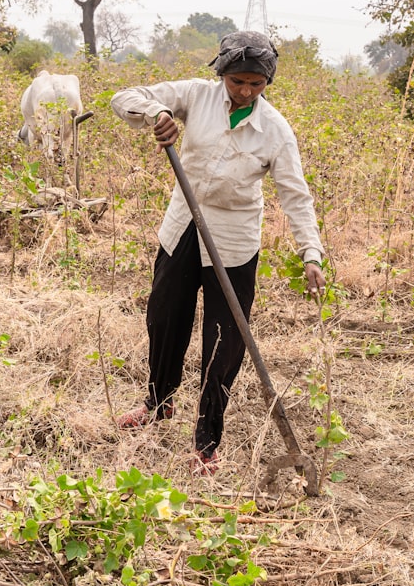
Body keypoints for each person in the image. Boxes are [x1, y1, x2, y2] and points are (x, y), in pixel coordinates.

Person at [110, 31, 326, 476]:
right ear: (221, 74)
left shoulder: (275, 130)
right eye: (236, 81)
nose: (245, 91)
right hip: (184, 223)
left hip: (233, 239)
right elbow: (124, 97)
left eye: (255, 83)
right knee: (165, 317)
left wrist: (311, 252)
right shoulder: (196, 96)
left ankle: (207, 441)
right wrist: (158, 113)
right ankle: (159, 403)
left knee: (224, 341)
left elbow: (295, 194)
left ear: (267, 82)